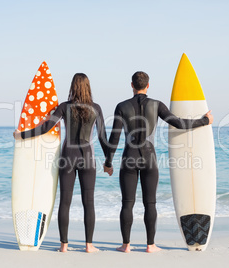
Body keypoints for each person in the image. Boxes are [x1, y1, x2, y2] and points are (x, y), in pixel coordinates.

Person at [104, 71, 213, 253]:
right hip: (149, 158)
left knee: (127, 203)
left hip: (129, 158)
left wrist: (108, 163)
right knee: (150, 203)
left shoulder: (121, 106)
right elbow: (178, 123)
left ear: (131, 85)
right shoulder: (156, 105)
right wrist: (204, 121)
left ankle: (126, 245)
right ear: (148, 85)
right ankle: (150, 245)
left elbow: (114, 138)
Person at [14, 73, 111, 253]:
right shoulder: (95, 108)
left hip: (68, 156)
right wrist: (108, 161)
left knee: (65, 202)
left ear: (72, 87)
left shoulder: (64, 107)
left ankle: (63, 246)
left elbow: (45, 128)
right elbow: (102, 137)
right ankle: (89, 245)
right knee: (88, 202)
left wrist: (22, 135)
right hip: (87, 158)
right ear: (88, 87)